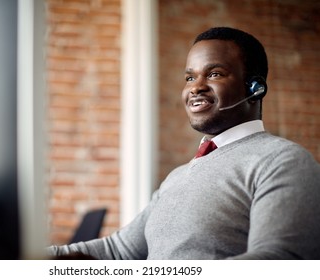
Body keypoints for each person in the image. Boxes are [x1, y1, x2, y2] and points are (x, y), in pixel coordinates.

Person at [48, 27, 320, 259]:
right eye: (190, 77)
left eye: (214, 74)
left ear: (254, 88)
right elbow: (118, 251)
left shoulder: (283, 161)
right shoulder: (177, 177)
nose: (195, 87)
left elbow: (276, 263)